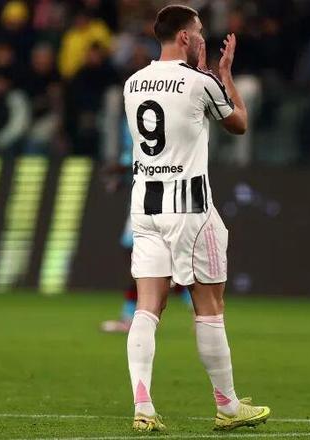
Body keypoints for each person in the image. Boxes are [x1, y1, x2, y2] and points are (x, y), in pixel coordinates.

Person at [122, 4, 270, 432]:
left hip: (145, 207)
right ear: (185, 37)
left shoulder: (132, 83)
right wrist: (223, 75)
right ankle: (228, 406)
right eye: (200, 30)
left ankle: (143, 406)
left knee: (147, 307)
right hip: (190, 210)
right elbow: (239, 124)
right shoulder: (198, 82)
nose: (204, 37)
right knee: (209, 307)